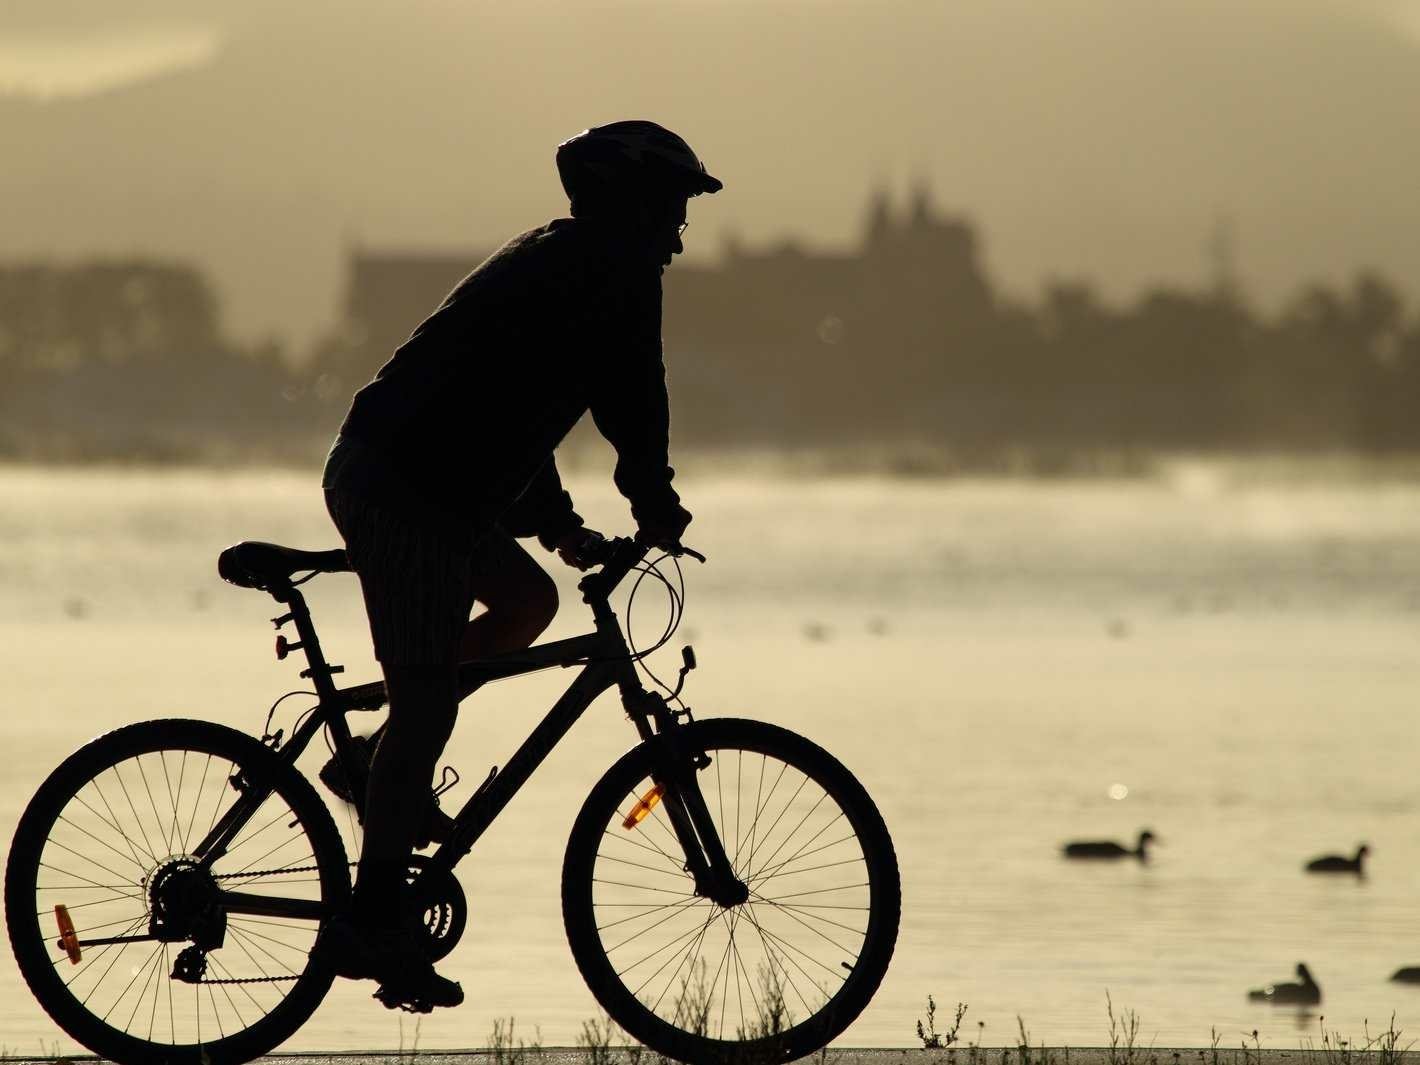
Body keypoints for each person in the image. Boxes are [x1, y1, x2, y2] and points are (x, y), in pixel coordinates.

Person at [318, 120, 721, 1012]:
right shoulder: (601, 271)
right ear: (631, 204)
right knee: (426, 700)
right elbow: (631, 397)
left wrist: (564, 529)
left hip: (440, 483)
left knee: (529, 601)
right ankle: (371, 913)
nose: (681, 235)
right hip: (401, 483)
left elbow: (509, 415)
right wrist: (654, 503)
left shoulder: (576, 264)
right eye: (674, 210)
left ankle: (371, 764)